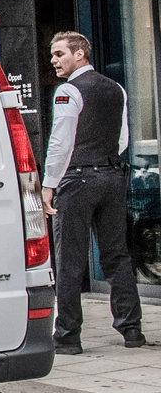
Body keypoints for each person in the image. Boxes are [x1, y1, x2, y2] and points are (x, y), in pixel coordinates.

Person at [44, 31, 144, 353]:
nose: (54, 60)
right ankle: (132, 331)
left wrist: (49, 185)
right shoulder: (116, 89)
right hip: (113, 177)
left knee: (70, 259)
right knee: (117, 255)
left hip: (77, 180)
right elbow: (123, 140)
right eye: (53, 55)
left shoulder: (68, 91)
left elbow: (60, 143)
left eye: (60, 54)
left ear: (80, 54)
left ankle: (68, 337)